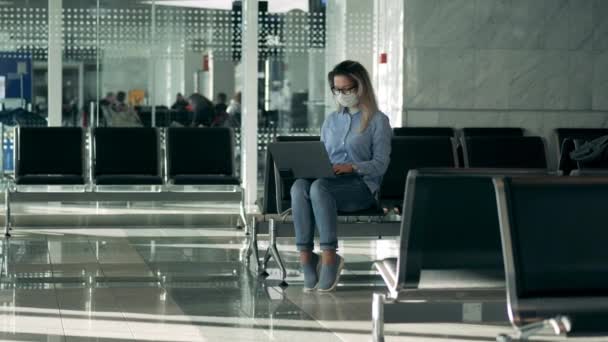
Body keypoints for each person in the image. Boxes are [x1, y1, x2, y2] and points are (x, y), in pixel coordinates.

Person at [290, 60, 392, 292]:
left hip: (361, 187)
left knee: (318, 188)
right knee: (299, 186)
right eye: (337, 90)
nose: (343, 94)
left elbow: (381, 164)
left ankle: (329, 258)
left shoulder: (378, 121)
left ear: (361, 87)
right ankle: (306, 257)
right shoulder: (331, 121)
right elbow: (322, 156)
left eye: (348, 89)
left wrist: (352, 167)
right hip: (330, 182)